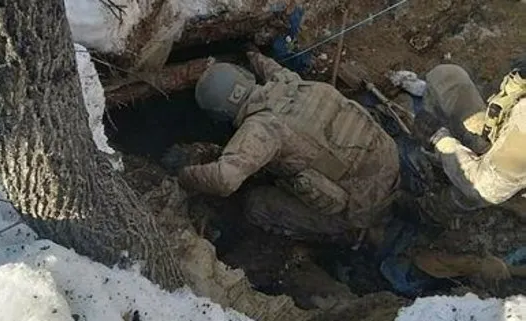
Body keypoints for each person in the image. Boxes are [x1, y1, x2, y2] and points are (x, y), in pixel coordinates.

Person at [162, 49, 400, 241]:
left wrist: (185, 175)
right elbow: (272, 68)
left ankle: (342, 236)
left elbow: (224, 180)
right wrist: (252, 53)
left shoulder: (262, 129)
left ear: (219, 114)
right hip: (390, 161)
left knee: (256, 205)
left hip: (364, 205)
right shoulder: (293, 84)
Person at [412, 59, 526, 225]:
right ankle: (444, 161)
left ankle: (432, 210)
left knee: (472, 193)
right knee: (446, 76)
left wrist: (439, 139)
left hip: (504, 177)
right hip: (504, 135)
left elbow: (484, 187)